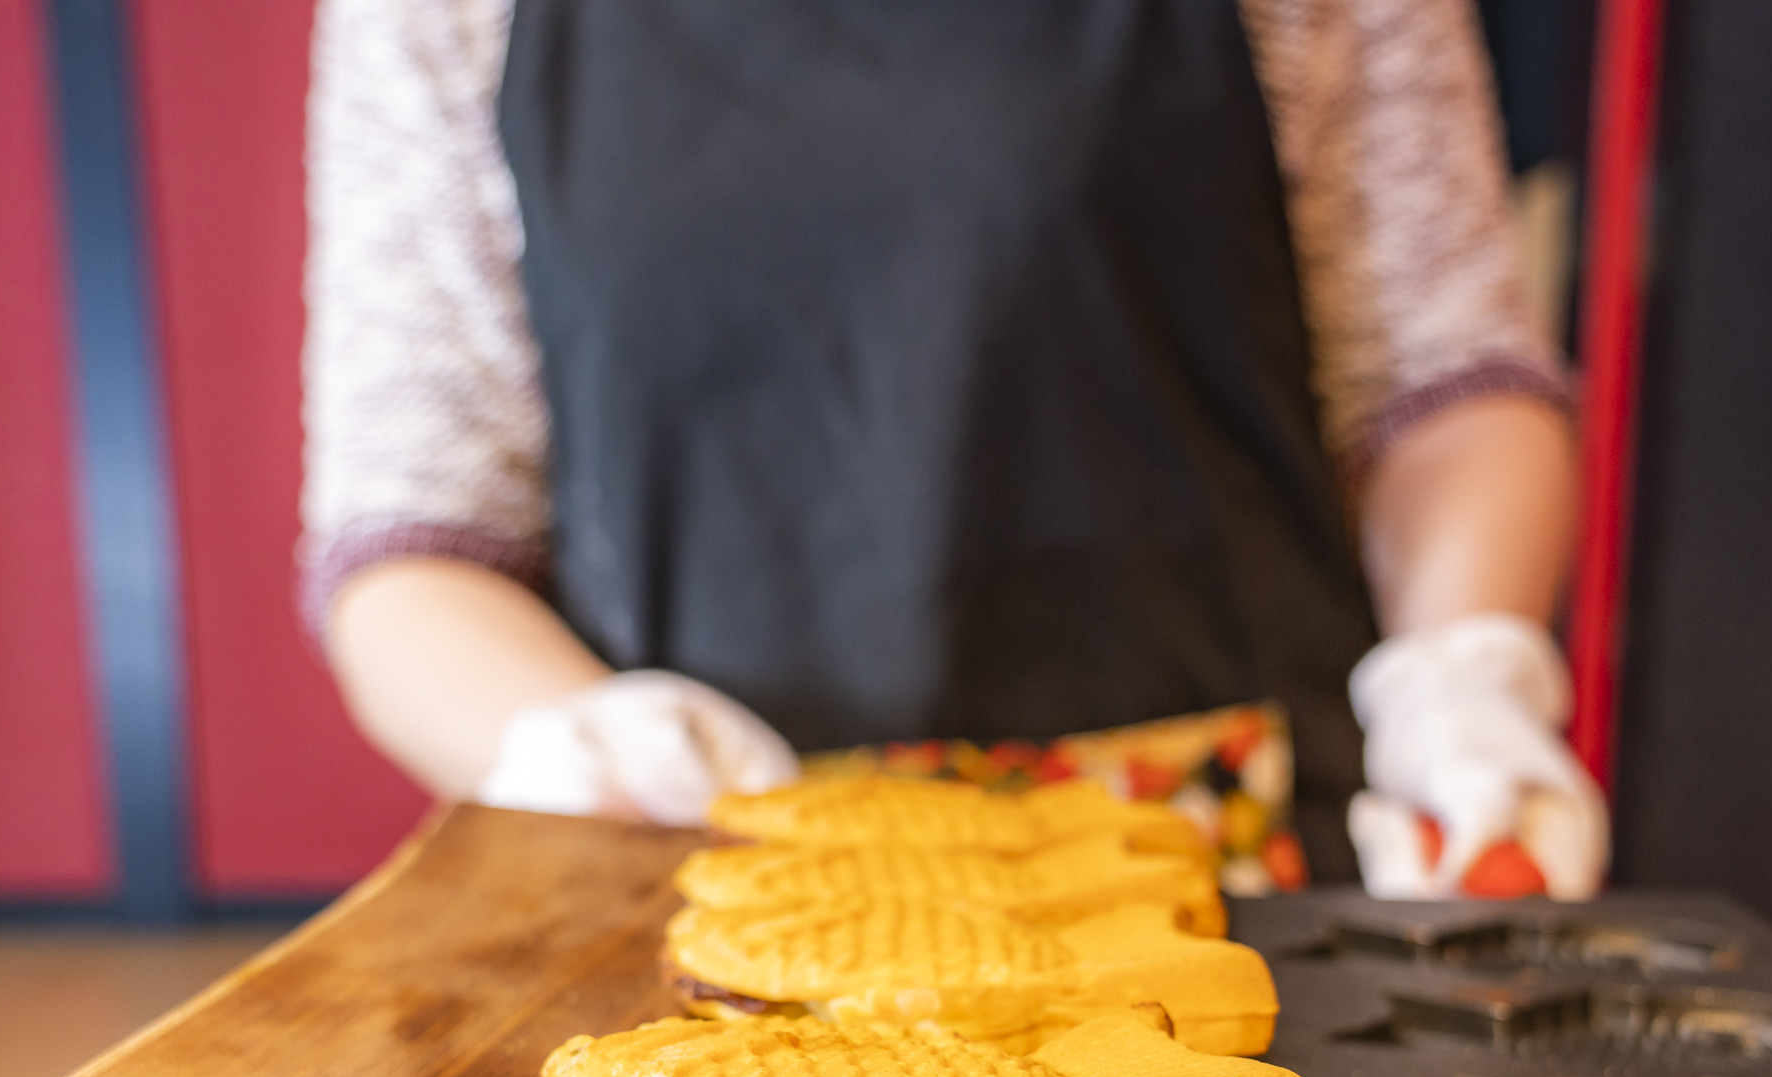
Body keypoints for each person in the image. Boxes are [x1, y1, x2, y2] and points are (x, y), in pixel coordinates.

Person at [299, 0, 1599, 898]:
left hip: (1240, 893)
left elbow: (1441, 370)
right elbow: (412, 538)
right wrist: (568, 744)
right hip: (708, 912)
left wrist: (1461, 665)